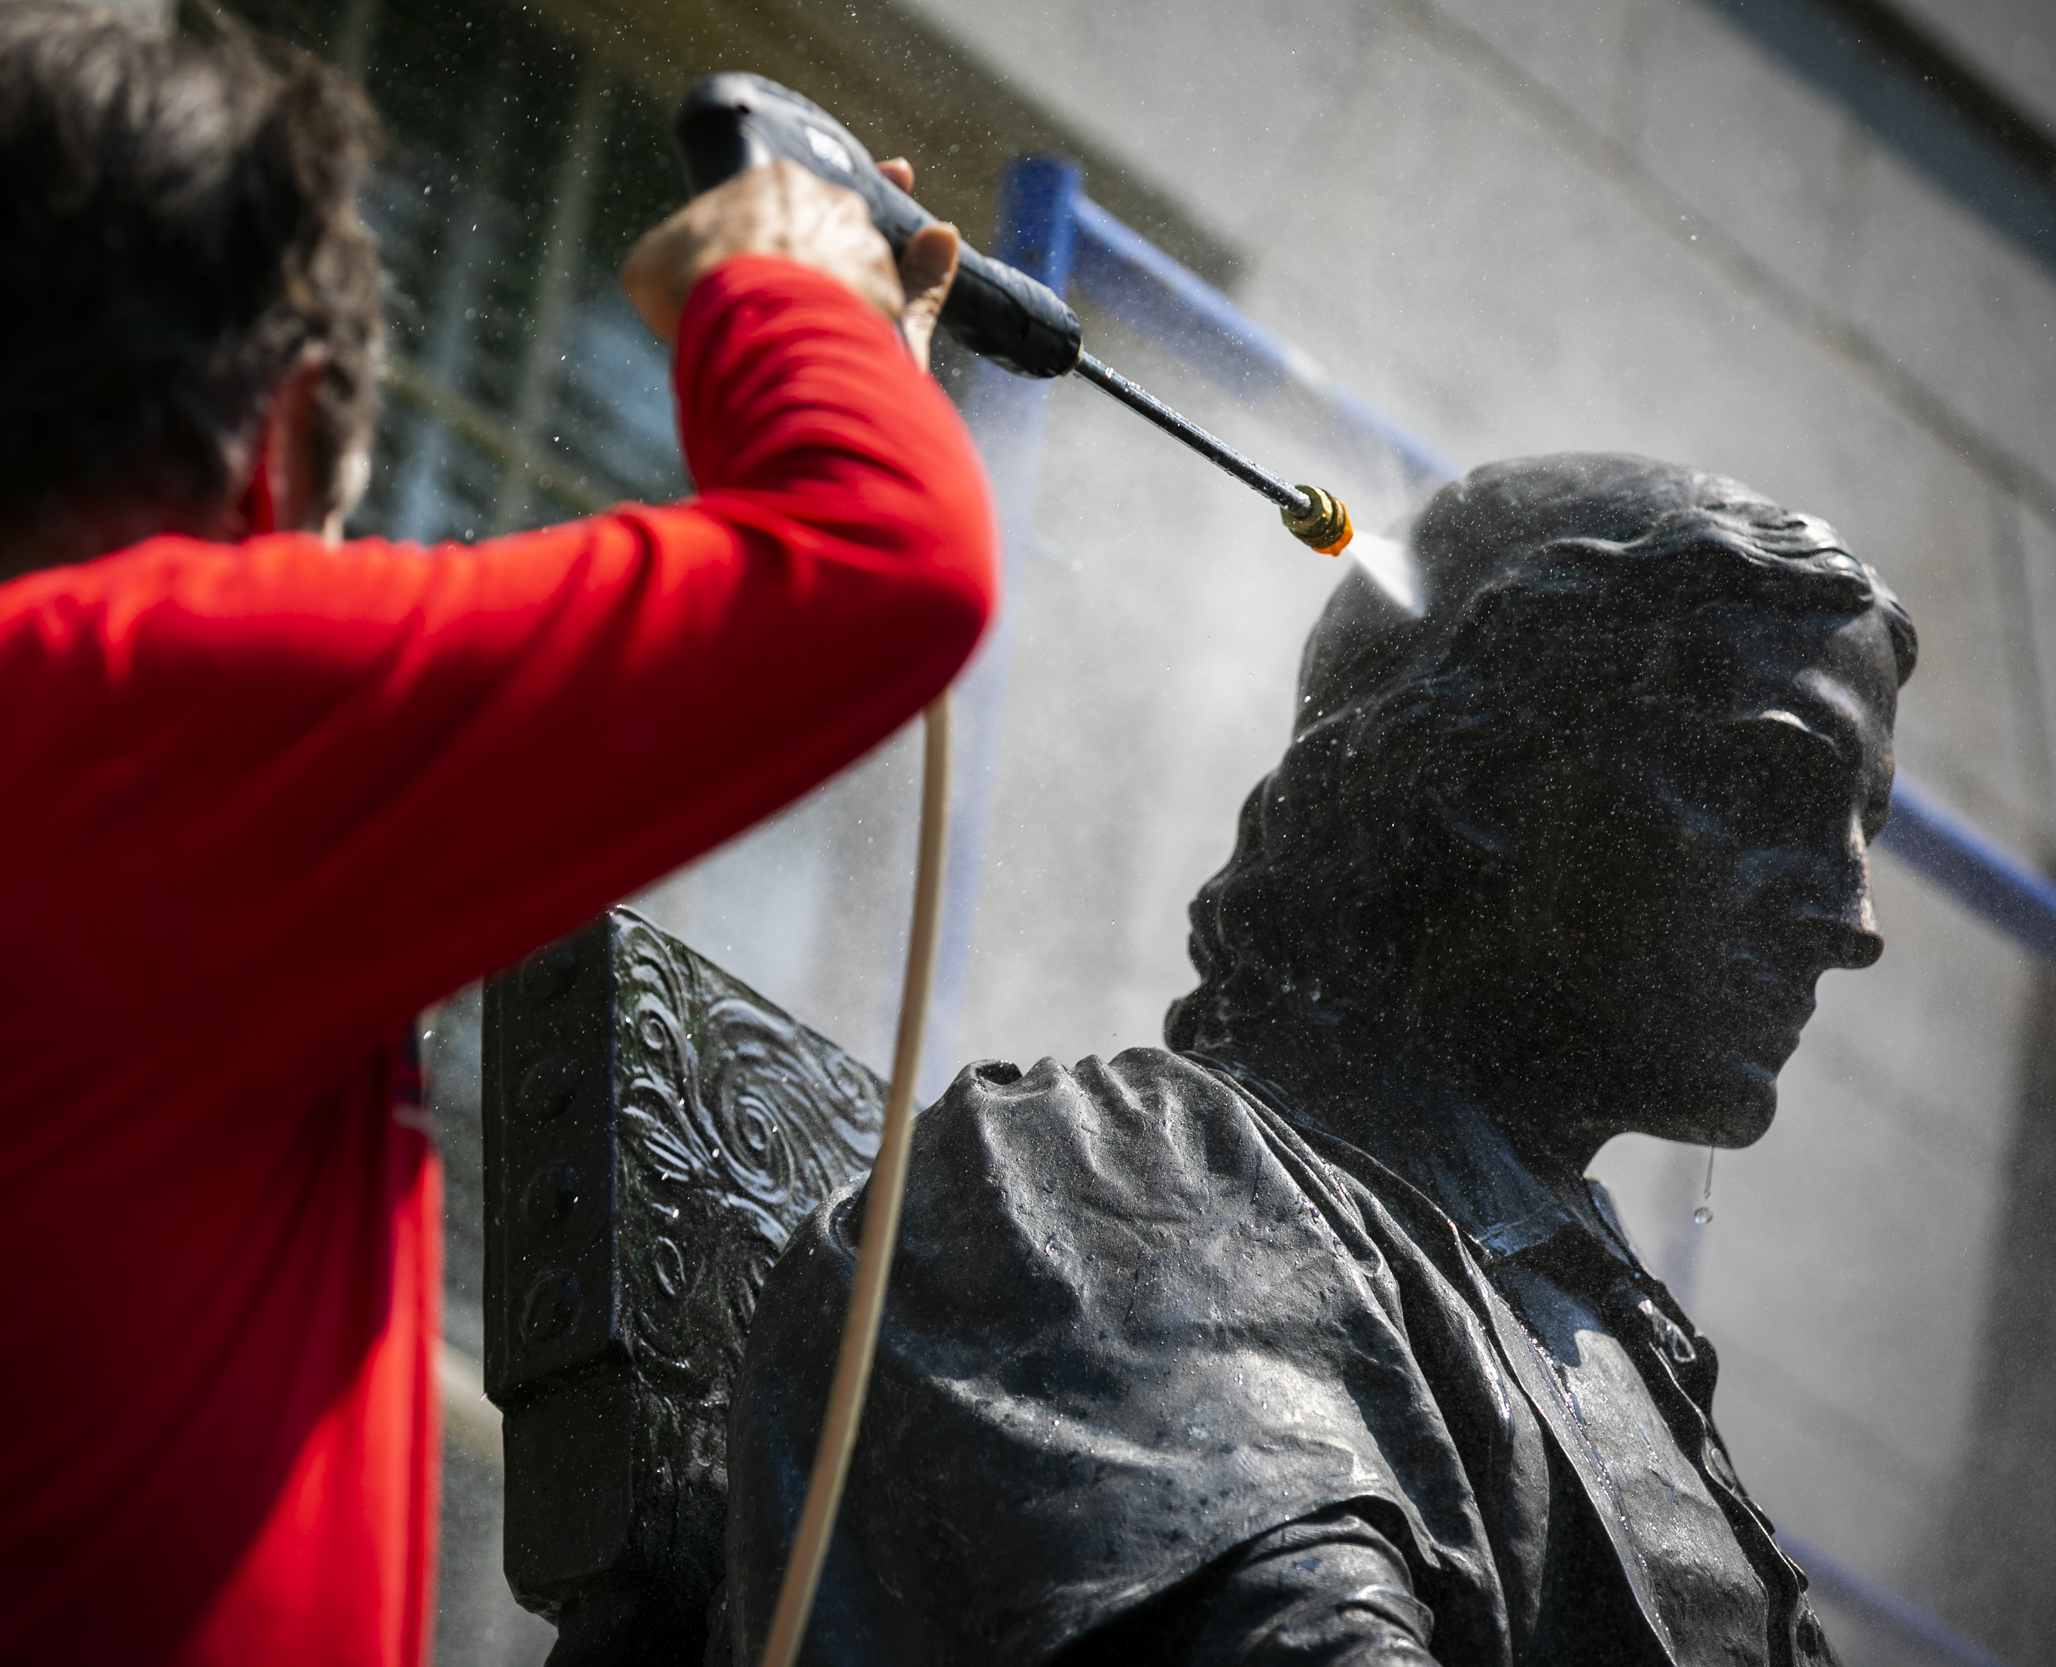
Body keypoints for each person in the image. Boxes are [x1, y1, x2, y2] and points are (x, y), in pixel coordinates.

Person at [0, 6, 991, 1664]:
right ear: (283, 443)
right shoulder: (131, 717)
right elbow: (889, 554)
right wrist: (788, 277)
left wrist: (846, 337)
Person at [724, 454, 1913, 1666]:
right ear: (1486, 777)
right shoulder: (1123, 1182)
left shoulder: (1609, 1336)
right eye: (1768, 779)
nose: (1853, 917)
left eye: (1864, 830)